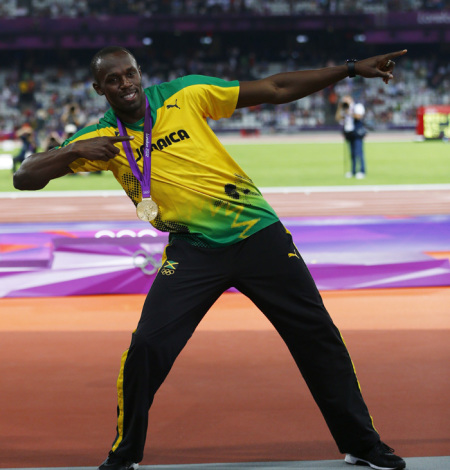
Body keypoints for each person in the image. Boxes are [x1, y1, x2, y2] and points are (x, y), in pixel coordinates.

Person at [13, 46, 408, 470]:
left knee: (318, 338)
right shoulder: (101, 139)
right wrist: (74, 152)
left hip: (258, 235)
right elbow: (24, 176)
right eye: (113, 79)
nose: (125, 84)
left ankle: (362, 444)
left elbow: (274, 87)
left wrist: (349, 69)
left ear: (139, 73)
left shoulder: (186, 94)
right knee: (147, 345)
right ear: (98, 89)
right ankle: (124, 455)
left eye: (130, 74)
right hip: (193, 250)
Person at [335, 95, 367, 179]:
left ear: (350, 99)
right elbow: (338, 118)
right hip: (349, 133)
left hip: (357, 133)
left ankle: (362, 171)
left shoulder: (357, 106)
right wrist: (340, 107)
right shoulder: (344, 108)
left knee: (359, 152)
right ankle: (353, 171)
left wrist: (349, 111)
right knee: (352, 154)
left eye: (346, 100)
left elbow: (358, 116)